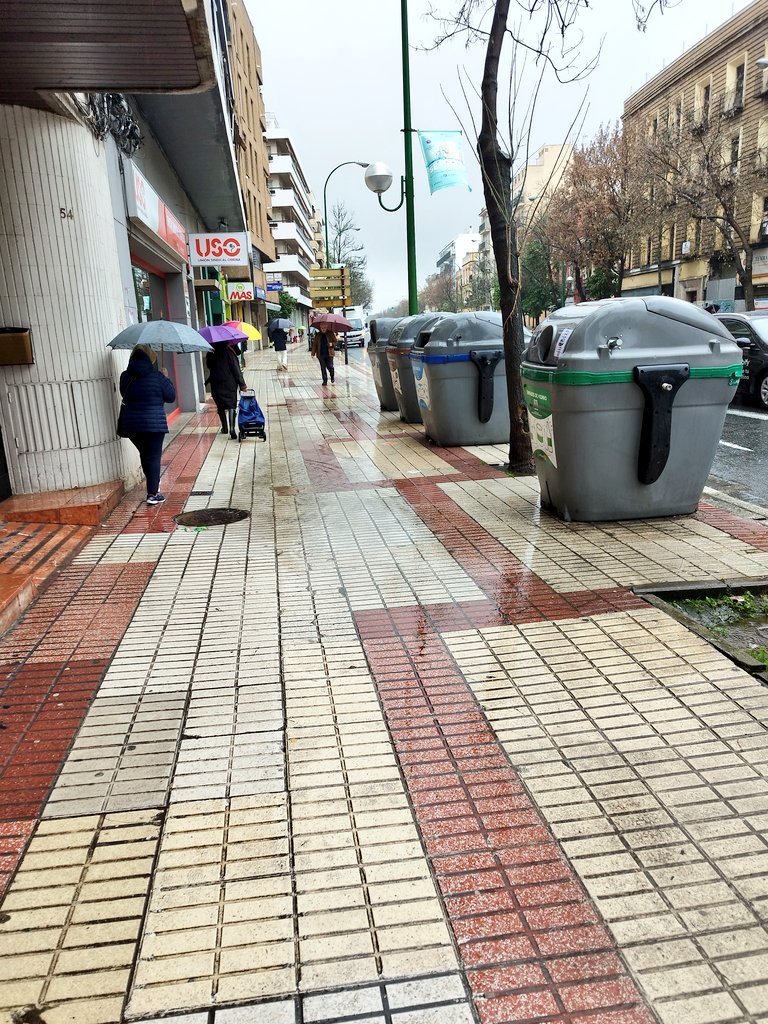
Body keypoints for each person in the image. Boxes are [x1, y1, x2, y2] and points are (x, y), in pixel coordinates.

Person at [119, 344, 176, 505]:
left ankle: (152, 488)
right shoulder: (158, 377)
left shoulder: (125, 376)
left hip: (132, 425)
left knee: (145, 455)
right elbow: (171, 397)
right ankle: (153, 493)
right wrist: (166, 378)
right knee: (152, 457)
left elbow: (125, 394)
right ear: (151, 358)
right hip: (154, 424)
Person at [206, 342, 246, 439]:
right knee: (231, 405)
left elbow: (209, 366)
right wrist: (242, 384)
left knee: (220, 406)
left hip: (216, 383)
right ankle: (232, 428)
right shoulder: (229, 352)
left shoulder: (211, 353)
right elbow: (236, 370)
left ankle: (225, 428)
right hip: (229, 383)